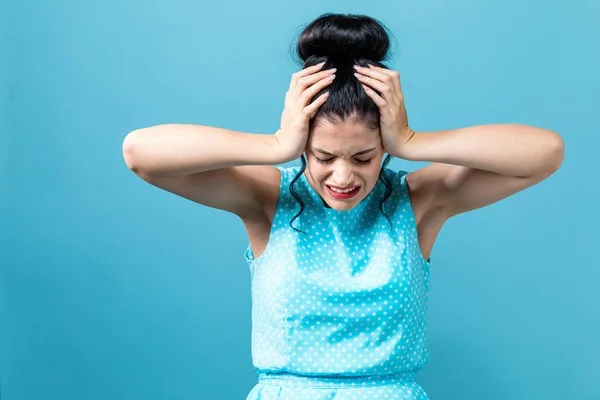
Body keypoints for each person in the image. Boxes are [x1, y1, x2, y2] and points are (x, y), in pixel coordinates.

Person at [122, 12, 564, 400]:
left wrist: (415, 141)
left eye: (363, 158)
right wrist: (274, 144)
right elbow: (141, 153)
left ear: (385, 148)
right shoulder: (269, 200)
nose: (343, 177)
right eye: (324, 157)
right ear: (303, 149)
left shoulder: (418, 202)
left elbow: (545, 152)